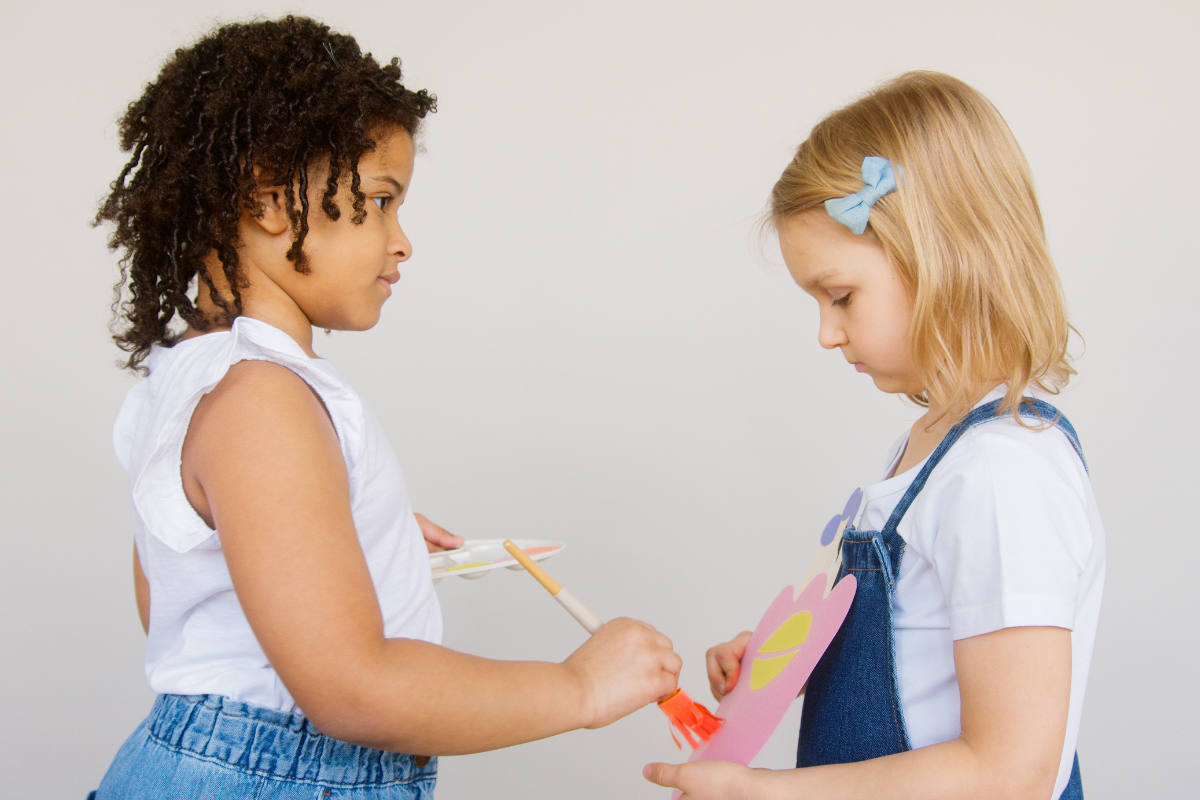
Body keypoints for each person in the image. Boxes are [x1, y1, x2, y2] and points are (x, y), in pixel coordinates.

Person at [91, 16, 680, 799]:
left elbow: (182, 604)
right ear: (269, 199)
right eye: (378, 201)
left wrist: (343, 537)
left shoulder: (191, 381)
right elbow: (352, 690)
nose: (402, 242)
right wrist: (579, 688)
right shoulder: (265, 399)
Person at [645, 72, 1104, 800]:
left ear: (943, 257)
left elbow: (1011, 772)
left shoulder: (1003, 476)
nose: (827, 334)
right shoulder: (929, 447)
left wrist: (763, 791)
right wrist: (787, 665)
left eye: (840, 296)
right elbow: (914, 661)